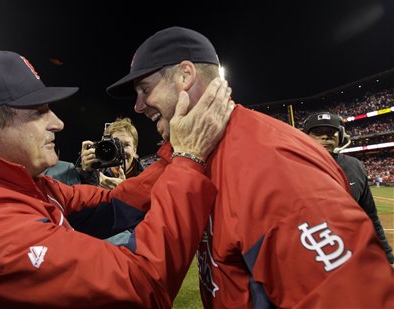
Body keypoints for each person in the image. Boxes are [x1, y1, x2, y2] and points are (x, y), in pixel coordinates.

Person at [0, 50, 234, 308]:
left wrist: (175, 151)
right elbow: (140, 284)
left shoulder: (20, 186)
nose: (58, 123)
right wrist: (189, 159)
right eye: (38, 112)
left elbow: (114, 204)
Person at [106, 26, 394, 308]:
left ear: (185, 76)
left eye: (145, 89)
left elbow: (350, 296)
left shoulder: (271, 164)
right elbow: (115, 206)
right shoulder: (193, 152)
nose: (138, 106)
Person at [302, 111, 394, 264]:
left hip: (352, 251)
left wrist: (386, 253)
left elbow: (370, 215)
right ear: (306, 136)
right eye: (318, 133)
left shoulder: (355, 166)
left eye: (331, 132)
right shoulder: (293, 165)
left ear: (341, 137)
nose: (325, 137)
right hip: (312, 253)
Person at [80, 117, 146, 189]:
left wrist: (123, 191)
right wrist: (87, 173)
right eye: (116, 145)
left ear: (134, 150)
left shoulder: (149, 175)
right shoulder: (97, 174)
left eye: (126, 145)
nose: (121, 151)